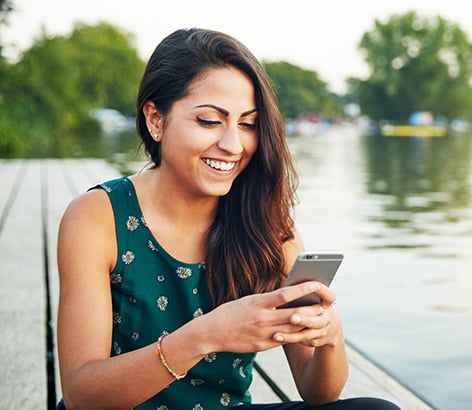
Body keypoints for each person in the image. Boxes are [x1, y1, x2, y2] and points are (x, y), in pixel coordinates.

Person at [56, 28, 400, 410]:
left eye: (248, 123)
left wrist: (331, 335)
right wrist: (207, 335)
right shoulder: (97, 217)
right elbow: (81, 394)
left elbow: (319, 393)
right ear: (156, 119)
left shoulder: (265, 223)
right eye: (209, 121)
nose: (234, 145)